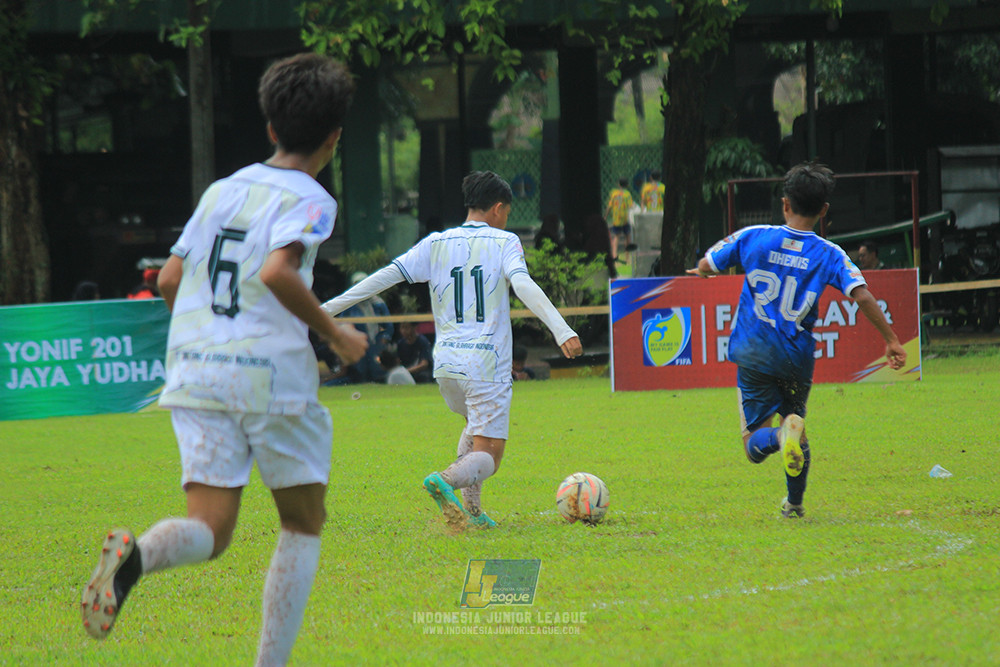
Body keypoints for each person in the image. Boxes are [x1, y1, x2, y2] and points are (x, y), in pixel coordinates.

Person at [80, 53, 369, 667]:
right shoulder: (313, 200)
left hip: (195, 372)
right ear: (334, 138)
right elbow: (277, 272)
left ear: (269, 128)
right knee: (302, 521)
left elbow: (168, 279)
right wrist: (337, 334)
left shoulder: (221, 191)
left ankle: (136, 559)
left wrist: (205, 333)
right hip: (269, 375)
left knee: (210, 528)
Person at [322, 170, 583, 529]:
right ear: (497, 208)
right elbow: (523, 284)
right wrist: (561, 328)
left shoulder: (436, 243)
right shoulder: (504, 241)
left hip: (445, 365)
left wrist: (322, 310)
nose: (505, 219)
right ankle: (444, 479)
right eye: (506, 212)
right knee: (490, 453)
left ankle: (474, 513)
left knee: (474, 428)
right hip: (485, 363)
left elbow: (384, 277)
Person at [687, 161, 906, 519]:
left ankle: (777, 439)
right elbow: (863, 295)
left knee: (754, 442)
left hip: (755, 354)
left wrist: (701, 271)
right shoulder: (829, 253)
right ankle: (795, 503)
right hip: (797, 360)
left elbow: (708, 263)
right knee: (797, 428)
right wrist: (892, 340)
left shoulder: (754, 236)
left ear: (785, 204)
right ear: (824, 211)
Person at [331, 271, 394, 384]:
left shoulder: (378, 303)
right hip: (358, 343)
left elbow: (388, 325)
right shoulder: (349, 304)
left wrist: (384, 339)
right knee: (360, 372)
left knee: (377, 370)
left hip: (375, 343)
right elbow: (342, 323)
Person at [604, 177, 636, 260]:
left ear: (618, 184)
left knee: (616, 236)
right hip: (625, 218)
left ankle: (614, 256)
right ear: (627, 185)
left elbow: (609, 206)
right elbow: (630, 205)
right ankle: (627, 257)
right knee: (627, 236)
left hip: (616, 219)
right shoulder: (627, 194)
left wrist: (605, 216)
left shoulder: (614, 193)